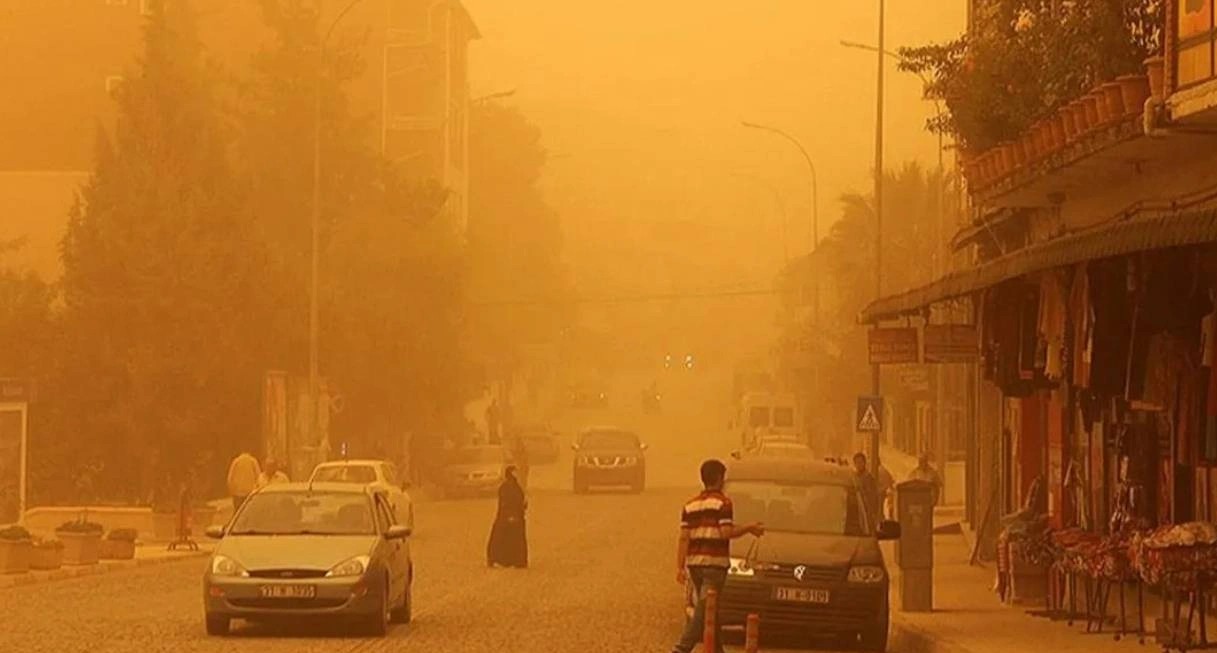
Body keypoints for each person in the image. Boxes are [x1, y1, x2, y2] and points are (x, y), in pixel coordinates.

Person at [671, 459, 765, 653]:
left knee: (709, 611)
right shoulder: (724, 503)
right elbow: (726, 532)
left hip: (695, 565)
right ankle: (681, 648)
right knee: (704, 610)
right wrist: (749, 528)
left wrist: (680, 567)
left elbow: (683, 538)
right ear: (720, 478)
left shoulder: (690, 505)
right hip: (714, 566)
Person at [486, 465, 528, 568]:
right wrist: (510, 515)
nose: (516, 474)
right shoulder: (507, 487)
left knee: (512, 539)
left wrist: (523, 506)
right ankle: (505, 559)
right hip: (509, 517)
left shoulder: (514, 486)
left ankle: (514, 560)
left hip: (515, 516)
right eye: (514, 472)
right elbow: (506, 503)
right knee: (507, 538)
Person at [852, 452, 881, 522]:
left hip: (866, 514)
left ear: (864, 463)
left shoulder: (869, 478)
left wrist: (872, 514)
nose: (858, 465)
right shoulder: (853, 478)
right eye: (856, 463)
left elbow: (873, 498)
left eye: (860, 462)